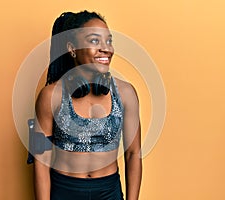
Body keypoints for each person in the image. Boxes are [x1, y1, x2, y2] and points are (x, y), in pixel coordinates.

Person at [30, 10, 142, 200]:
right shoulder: (51, 96)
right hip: (64, 191)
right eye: (94, 41)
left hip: (109, 191)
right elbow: (41, 161)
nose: (106, 48)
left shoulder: (126, 93)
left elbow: (133, 154)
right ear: (72, 49)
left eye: (109, 41)